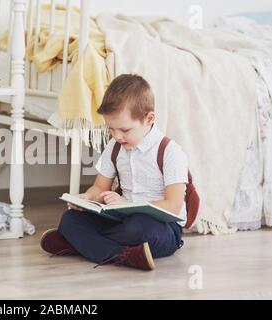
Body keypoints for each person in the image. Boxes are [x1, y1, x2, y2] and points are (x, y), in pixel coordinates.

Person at [41, 74, 188, 271]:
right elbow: (100, 188)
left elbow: (173, 206)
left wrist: (128, 204)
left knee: (140, 228)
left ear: (149, 118)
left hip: (161, 227)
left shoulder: (170, 152)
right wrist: (84, 199)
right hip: (121, 219)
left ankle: (79, 244)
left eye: (125, 130)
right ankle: (123, 255)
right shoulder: (115, 147)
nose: (117, 136)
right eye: (111, 129)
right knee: (70, 220)